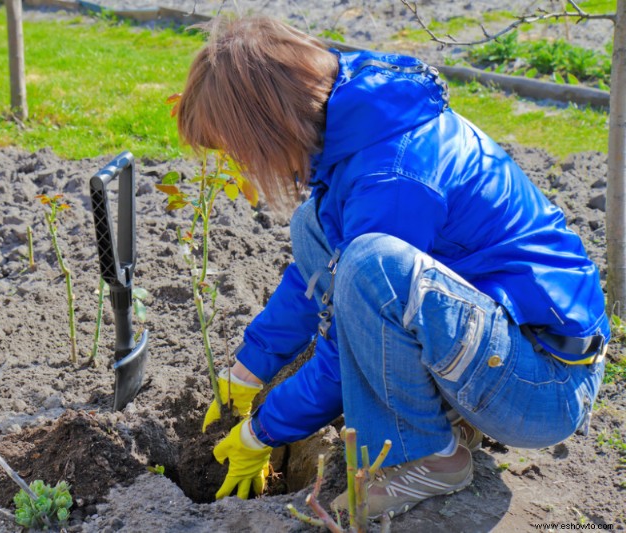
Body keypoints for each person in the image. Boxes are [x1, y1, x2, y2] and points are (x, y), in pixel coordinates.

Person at [175, 16, 609, 518]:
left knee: (370, 265)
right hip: (502, 348)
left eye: (238, 149)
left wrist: (263, 432)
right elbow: (316, 275)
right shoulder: (356, 122)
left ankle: (425, 455)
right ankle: (441, 413)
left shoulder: (393, 174)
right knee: (312, 226)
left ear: (268, 125)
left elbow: (350, 349)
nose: (242, 164)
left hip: (545, 384)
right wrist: (248, 370)